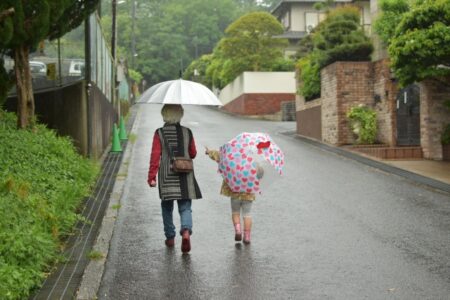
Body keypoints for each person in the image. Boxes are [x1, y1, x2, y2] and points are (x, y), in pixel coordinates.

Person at [147, 104, 202, 253]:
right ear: (180, 115)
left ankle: (170, 237)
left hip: (167, 174)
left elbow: (155, 156)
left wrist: (151, 176)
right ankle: (185, 230)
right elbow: (193, 153)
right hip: (185, 175)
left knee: (166, 207)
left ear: (164, 114)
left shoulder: (159, 133)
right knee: (185, 207)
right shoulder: (187, 132)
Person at [205, 147, 263, 244]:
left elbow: (219, 157)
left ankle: (238, 231)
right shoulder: (254, 161)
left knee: (235, 212)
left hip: (235, 192)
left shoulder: (232, 158)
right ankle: (247, 236)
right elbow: (260, 174)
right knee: (247, 214)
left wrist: (209, 152)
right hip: (248, 193)